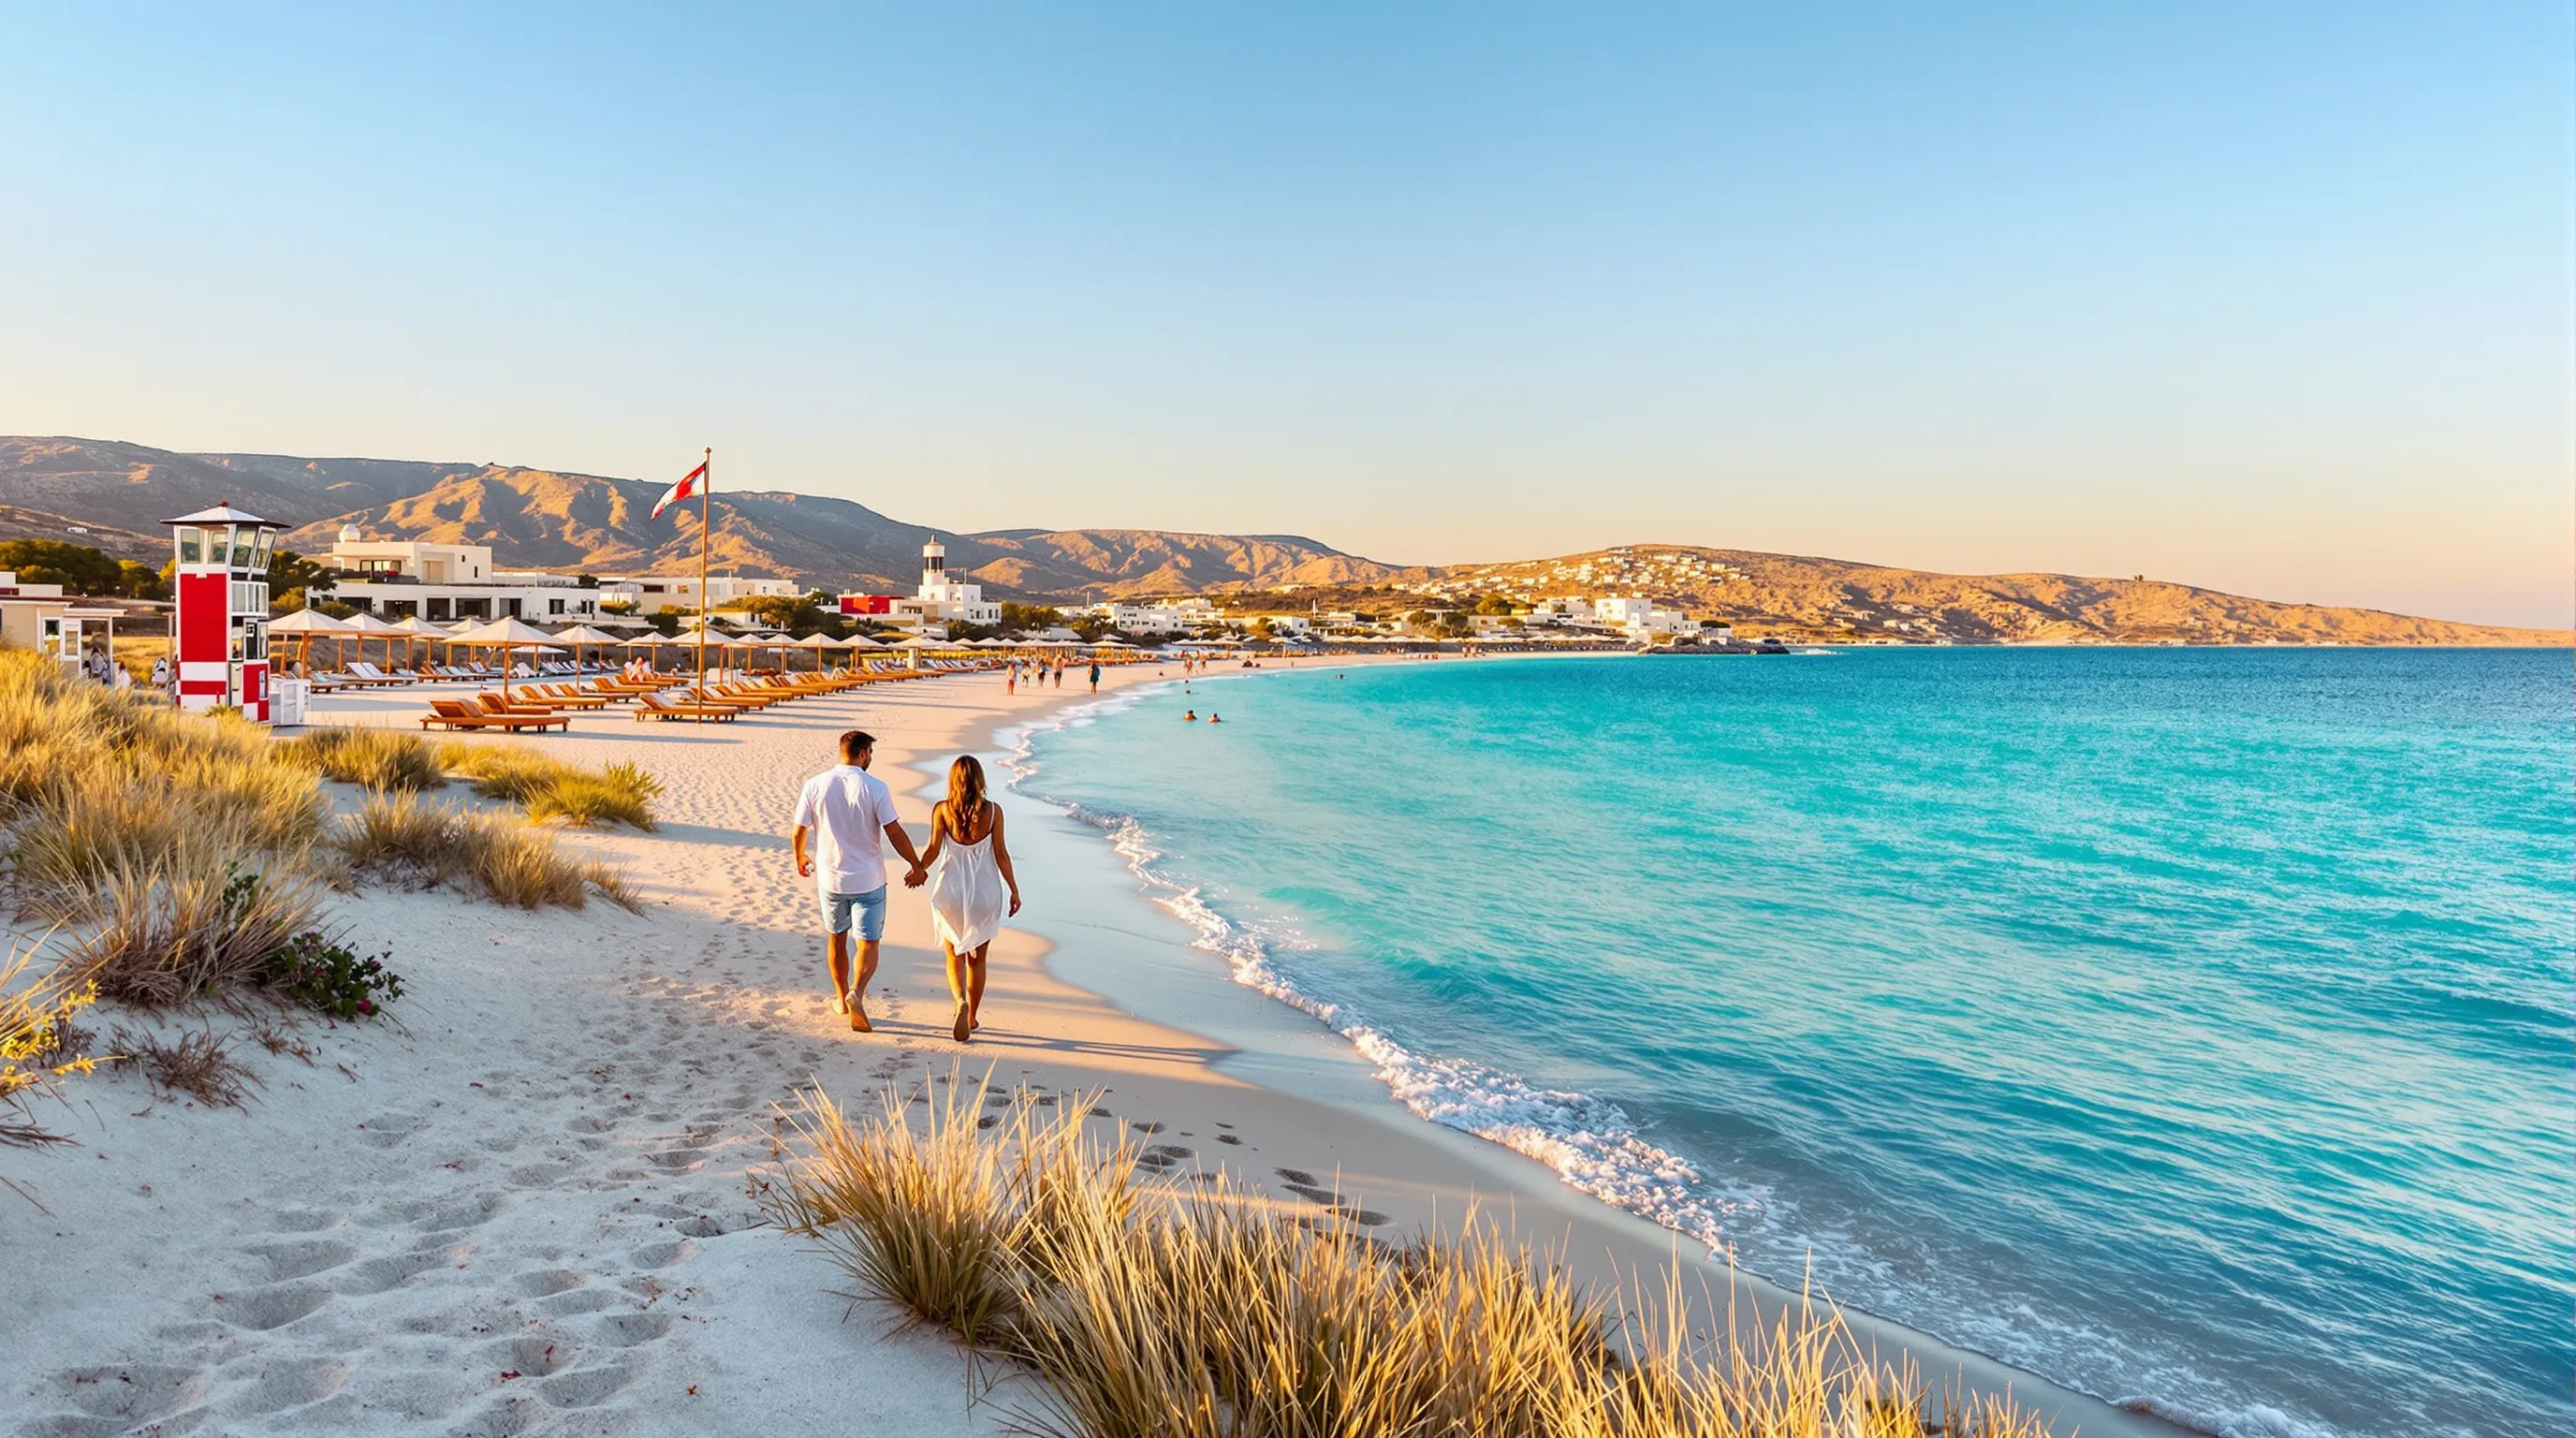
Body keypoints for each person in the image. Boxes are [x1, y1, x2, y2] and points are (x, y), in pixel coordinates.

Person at [790, 729, 927, 1033]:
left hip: (831, 879)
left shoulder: (815, 785)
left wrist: (799, 857)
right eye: (870, 754)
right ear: (864, 753)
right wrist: (915, 865)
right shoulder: (875, 787)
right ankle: (858, 992)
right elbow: (894, 832)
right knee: (868, 943)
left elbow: (799, 830)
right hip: (868, 880)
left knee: (836, 939)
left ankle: (840, 999)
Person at [916, 756, 1020, 1043]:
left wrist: (918, 869)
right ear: (980, 780)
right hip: (984, 892)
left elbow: (933, 851)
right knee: (979, 959)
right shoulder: (994, 812)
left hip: (950, 890)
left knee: (954, 955)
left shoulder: (941, 810)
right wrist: (1014, 889)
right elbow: (1001, 855)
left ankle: (958, 1001)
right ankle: (972, 1015)